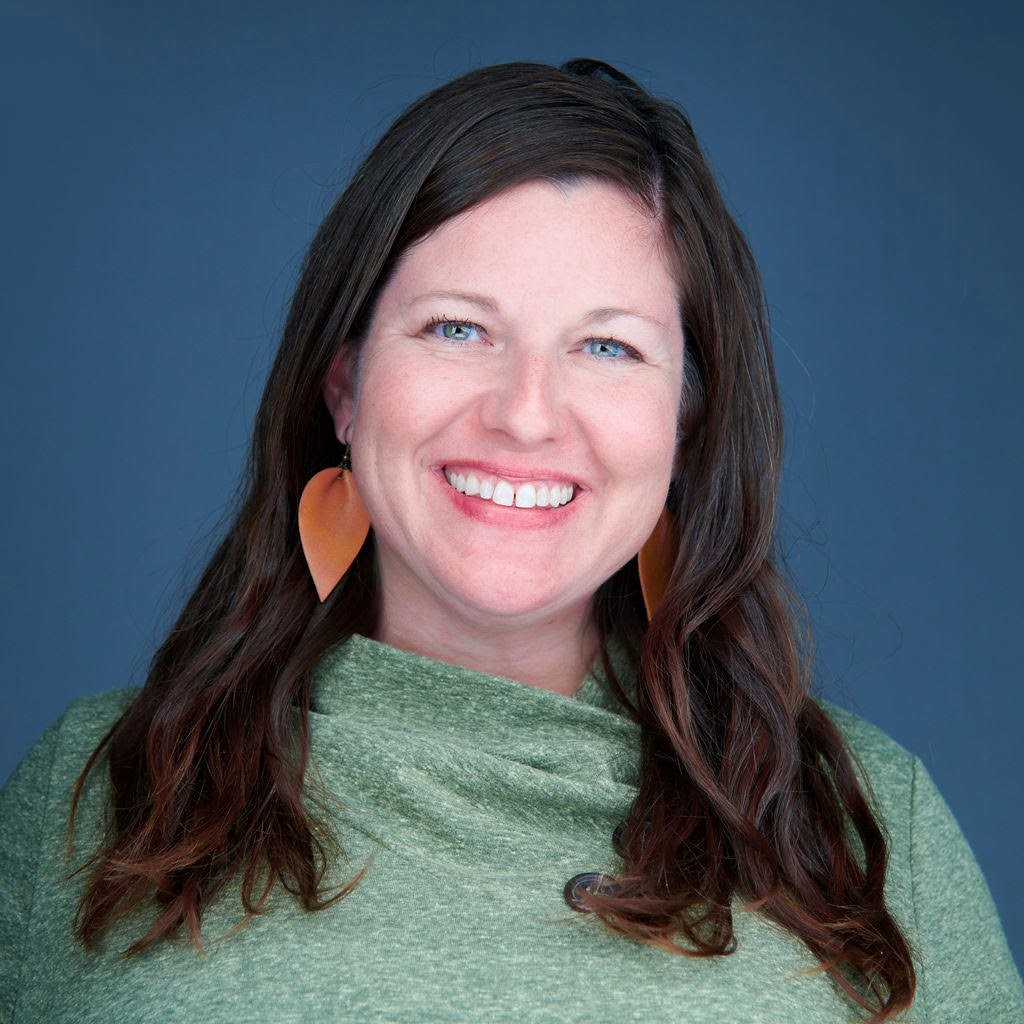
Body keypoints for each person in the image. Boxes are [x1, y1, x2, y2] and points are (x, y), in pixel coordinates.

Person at [0, 59, 1020, 1024]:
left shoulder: (868, 824)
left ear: (685, 426)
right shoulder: (102, 787)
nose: (527, 414)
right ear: (344, 383)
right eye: (456, 328)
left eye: (607, 346)